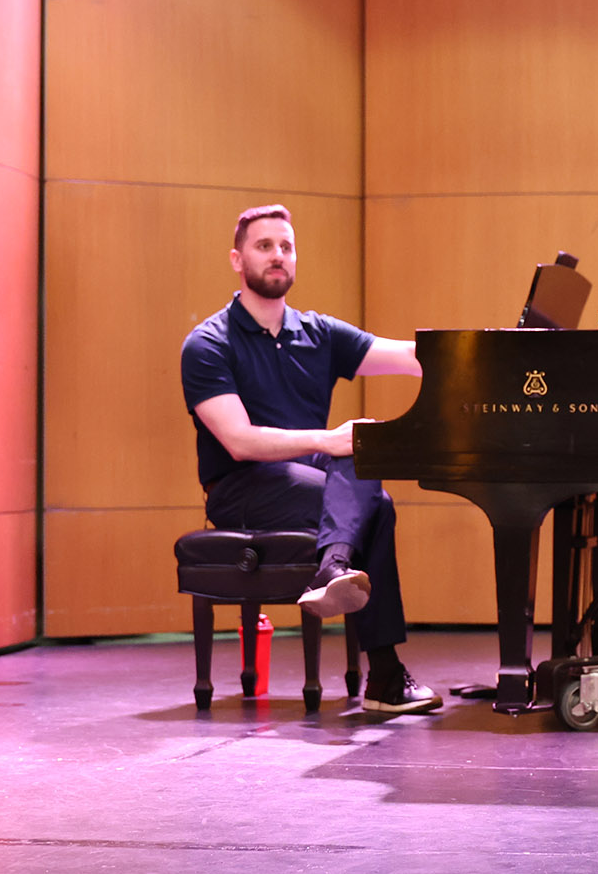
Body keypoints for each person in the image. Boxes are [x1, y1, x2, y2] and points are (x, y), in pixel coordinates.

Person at [180, 204, 441, 715]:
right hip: (242, 488)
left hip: (308, 478)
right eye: (264, 246)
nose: (278, 255)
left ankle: (334, 569)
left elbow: (408, 356)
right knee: (373, 500)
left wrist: (486, 354)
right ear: (237, 259)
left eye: (286, 246)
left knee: (362, 454)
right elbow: (240, 442)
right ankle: (384, 675)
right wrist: (326, 440)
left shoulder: (317, 333)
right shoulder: (208, 344)